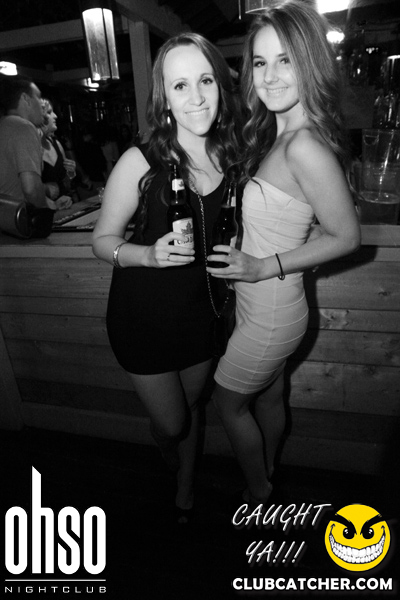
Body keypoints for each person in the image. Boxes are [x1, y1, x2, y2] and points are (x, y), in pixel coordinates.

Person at [207, 0, 361, 508]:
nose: (269, 76)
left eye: (285, 61)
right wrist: (252, 249)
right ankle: (269, 468)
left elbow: (347, 237)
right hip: (269, 304)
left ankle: (259, 492)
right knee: (270, 394)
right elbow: (297, 219)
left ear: (310, 61)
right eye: (260, 62)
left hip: (272, 310)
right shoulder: (282, 134)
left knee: (228, 405)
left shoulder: (301, 146)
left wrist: (260, 265)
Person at [92, 33, 240, 522]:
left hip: (202, 314)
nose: (196, 96)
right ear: (165, 98)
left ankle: (185, 482)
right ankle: (165, 445)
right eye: (180, 85)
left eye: (205, 80)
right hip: (143, 320)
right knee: (173, 423)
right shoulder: (141, 161)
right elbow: (102, 240)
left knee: (192, 408)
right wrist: (147, 256)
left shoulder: (234, 157)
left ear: (220, 85)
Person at [0, 74, 71, 211]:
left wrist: (52, 204)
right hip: (17, 219)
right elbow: (31, 189)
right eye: (38, 97)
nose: (41, 104)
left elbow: (15, 185)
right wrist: (49, 210)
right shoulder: (23, 127)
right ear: (26, 99)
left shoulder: (4, 125)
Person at [40, 99, 76, 204]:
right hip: (42, 210)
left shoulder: (56, 144)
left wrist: (71, 172)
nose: (55, 116)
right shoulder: (29, 147)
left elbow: (66, 183)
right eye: (49, 112)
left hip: (64, 205)